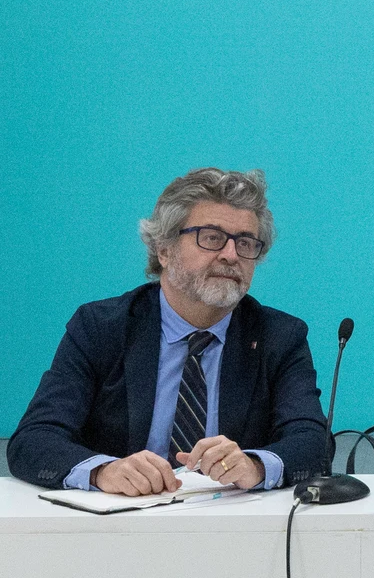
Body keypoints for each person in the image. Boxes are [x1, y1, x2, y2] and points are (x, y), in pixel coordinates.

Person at [8, 169, 330, 493]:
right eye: (212, 237)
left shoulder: (279, 337)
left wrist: (255, 465)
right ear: (164, 249)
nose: (231, 255)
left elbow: (313, 443)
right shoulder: (100, 328)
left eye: (245, 243)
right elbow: (35, 439)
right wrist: (102, 471)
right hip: (119, 525)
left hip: (232, 527)